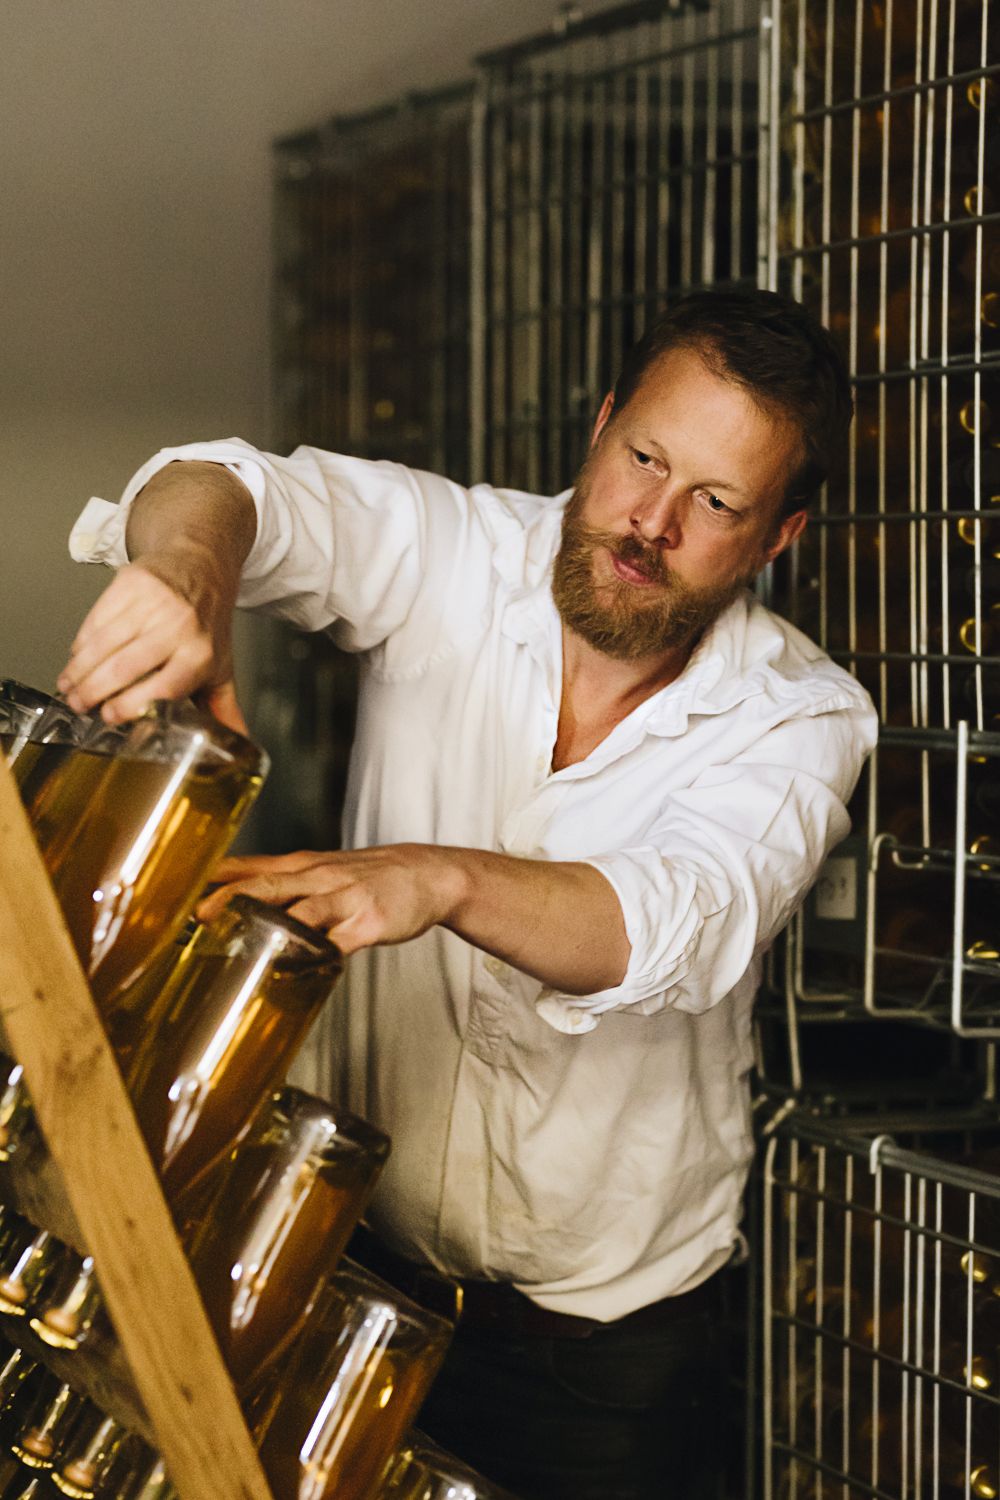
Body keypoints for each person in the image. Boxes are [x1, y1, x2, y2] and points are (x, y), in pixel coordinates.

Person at [62, 288, 876, 1499]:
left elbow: (675, 918)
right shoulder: (460, 554)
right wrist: (187, 567)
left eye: (714, 502)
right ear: (599, 428)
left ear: (778, 539)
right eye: (642, 457)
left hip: (598, 1363)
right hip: (337, 1272)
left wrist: (437, 878)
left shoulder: (802, 717)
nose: (649, 520)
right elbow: (237, 485)